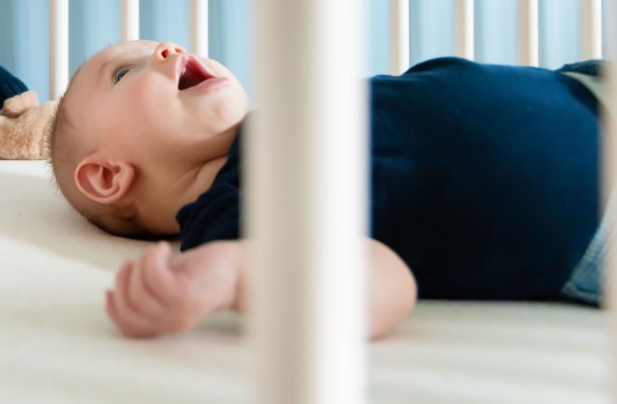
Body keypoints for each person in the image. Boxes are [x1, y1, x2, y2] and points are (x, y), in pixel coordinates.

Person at [48, 40, 607, 340]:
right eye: (124, 73)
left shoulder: (285, 117)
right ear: (108, 176)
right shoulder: (233, 214)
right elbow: (378, 283)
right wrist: (231, 275)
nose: (166, 49)